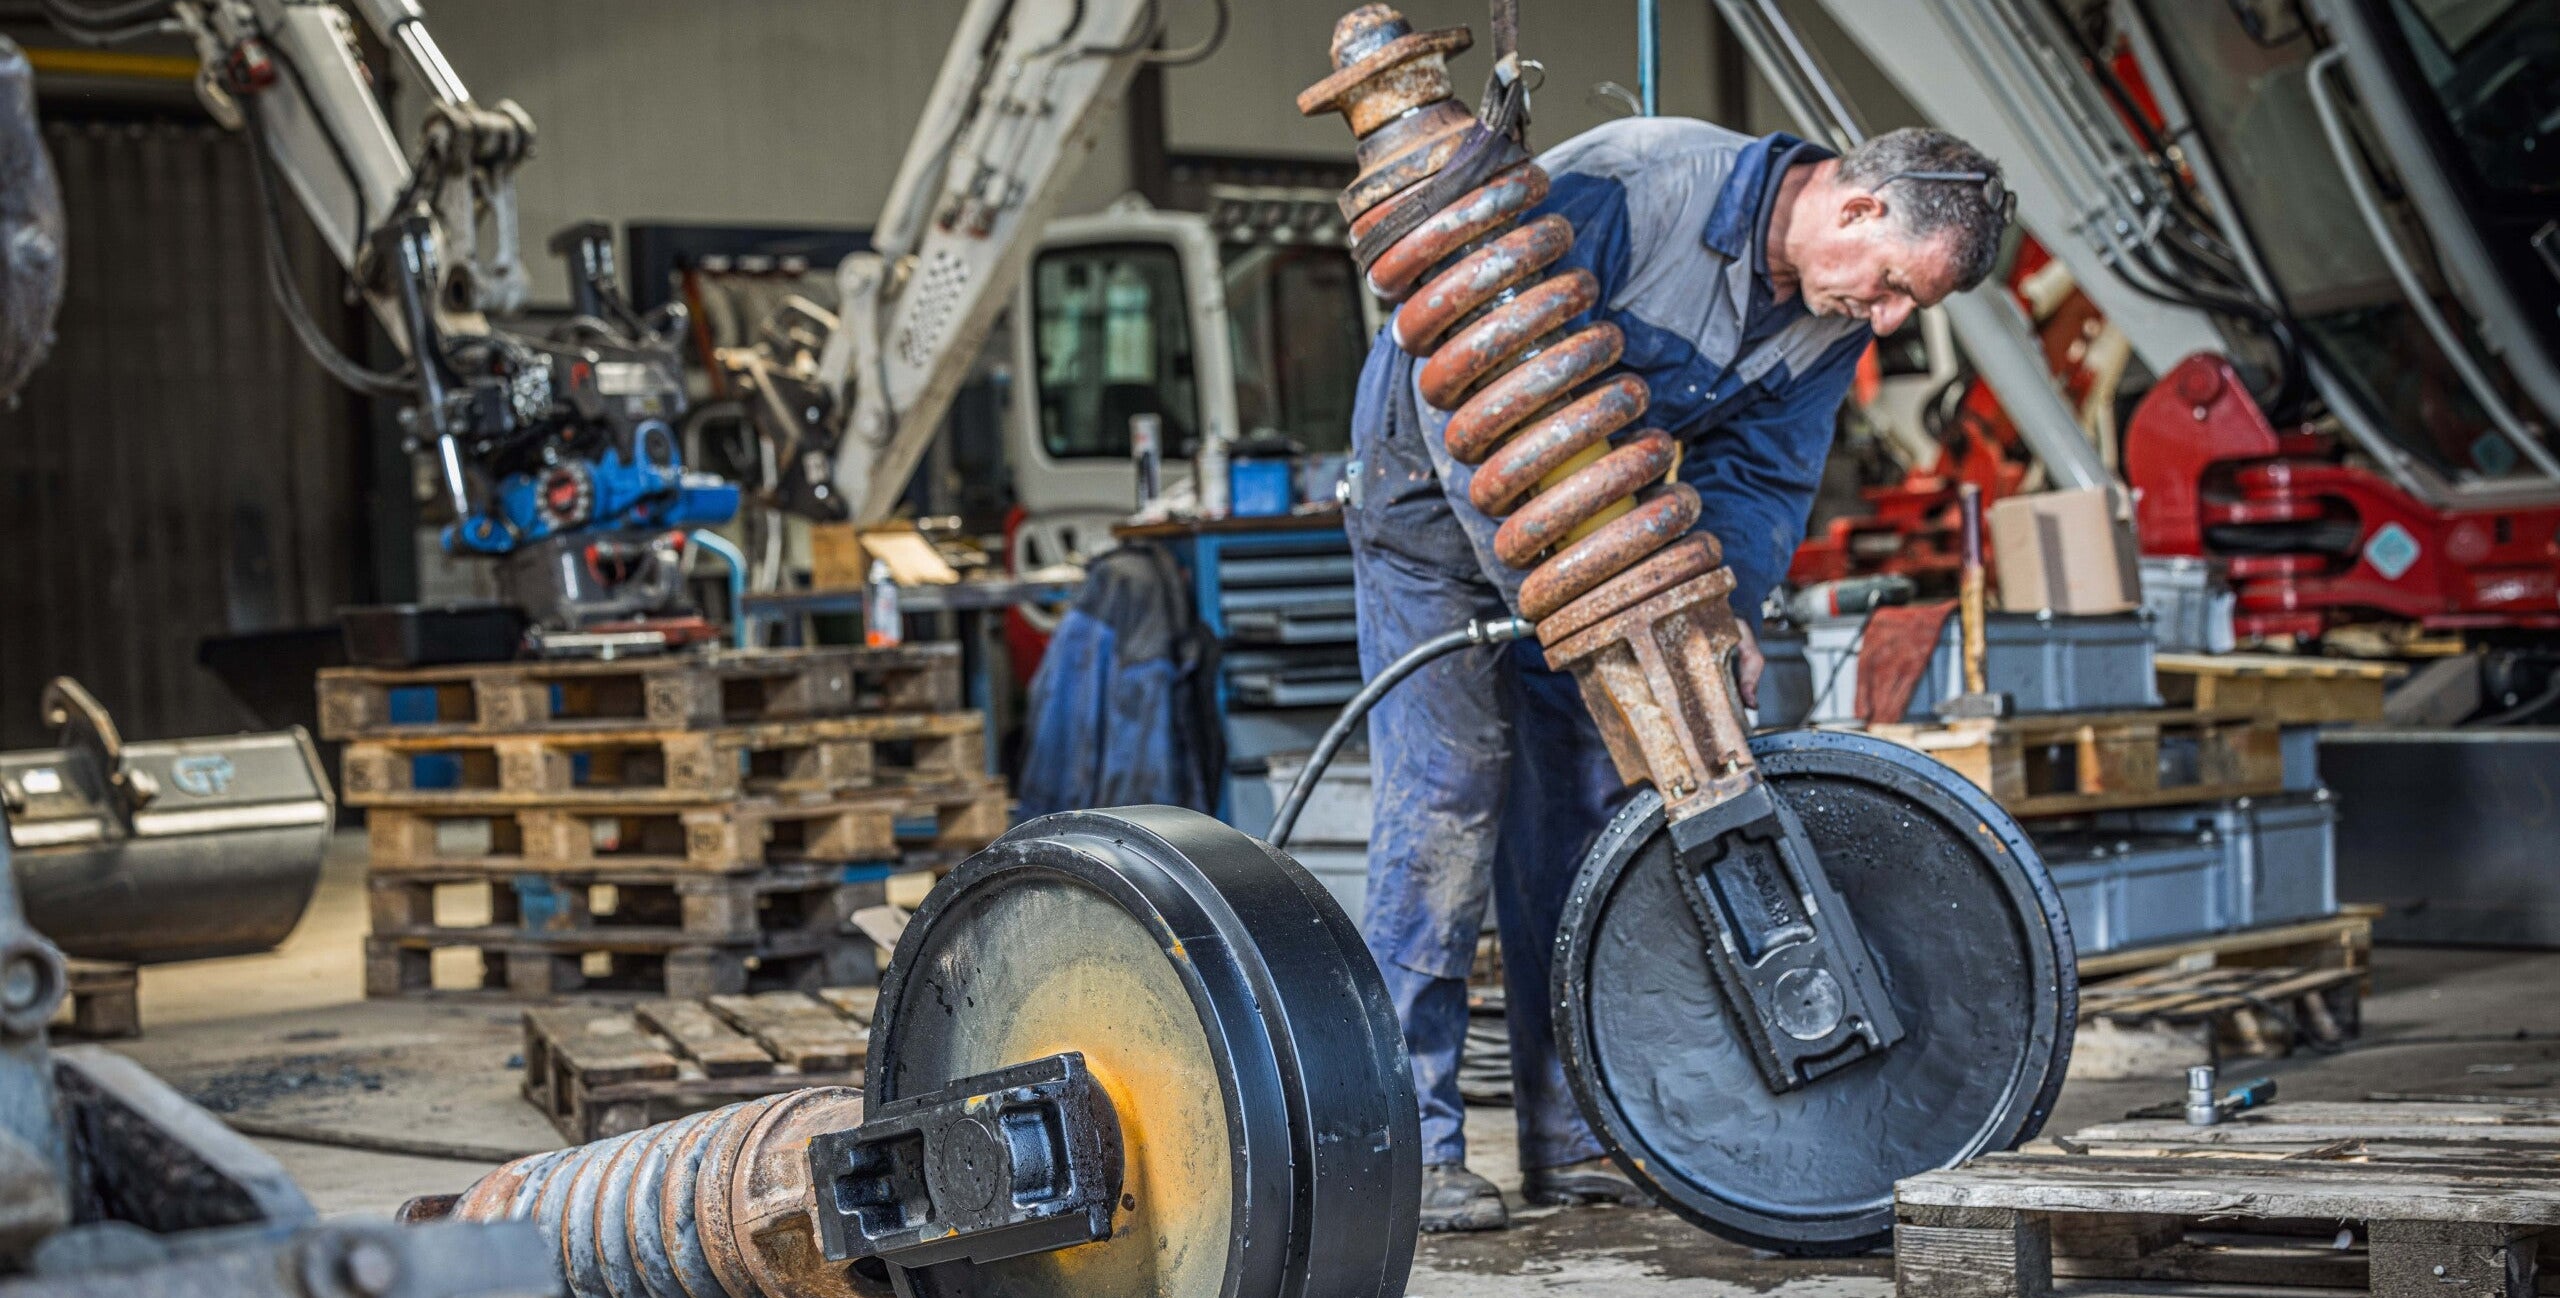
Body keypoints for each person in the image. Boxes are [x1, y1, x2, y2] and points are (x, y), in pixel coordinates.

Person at [1341, 118, 2015, 1233]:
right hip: (1429, 509)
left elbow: (1762, 480)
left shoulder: (1827, 321)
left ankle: (1573, 1133)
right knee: (1447, 799)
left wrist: (1723, 609)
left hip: (1583, 546)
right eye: (1895, 285)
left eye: (1910, 305)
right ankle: (1412, 1144)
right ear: (1856, 208)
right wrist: (1557, 587)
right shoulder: (1636, 189)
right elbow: (1459, 374)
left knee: (1584, 815)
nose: (1888, 318)